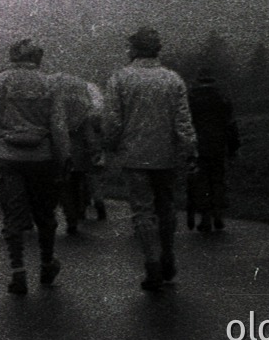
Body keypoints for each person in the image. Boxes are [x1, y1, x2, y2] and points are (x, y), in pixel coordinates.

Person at [103, 27, 198, 292]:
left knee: (142, 210)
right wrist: (189, 149)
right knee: (166, 206)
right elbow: (183, 121)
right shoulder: (173, 79)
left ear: (133, 49)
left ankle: (152, 262)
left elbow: (112, 120)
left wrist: (110, 145)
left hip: (134, 155)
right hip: (166, 155)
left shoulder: (120, 78)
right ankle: (168, 252)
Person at [0, 40, 69, 294]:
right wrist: (63, 158)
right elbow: (58, 126)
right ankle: (46, 263)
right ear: (37, 57)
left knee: (13, 216)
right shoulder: (49, 82)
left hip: (9, 157)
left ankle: (17, 271)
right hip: (42, 158)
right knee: (45, 215)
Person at [186, 68, 240, 232]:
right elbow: (231, 124)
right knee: (218, 179)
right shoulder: (222, 98)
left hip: (198, 145)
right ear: (213, 80)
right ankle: (218, 214)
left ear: (198, 79)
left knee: (201, 181)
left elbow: (185, 123)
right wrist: (233, 147)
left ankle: (205, 218)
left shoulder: (191, 98)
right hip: (218, 145)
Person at [54, 73, 104, 236]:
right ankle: (81, 209)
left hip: (62, 152)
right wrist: (94, 150)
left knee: (65, 187)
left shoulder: (56, 108)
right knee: (79, 182)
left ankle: (71, 219)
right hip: (80, 152)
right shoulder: (82, 111)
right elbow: (89, 135)